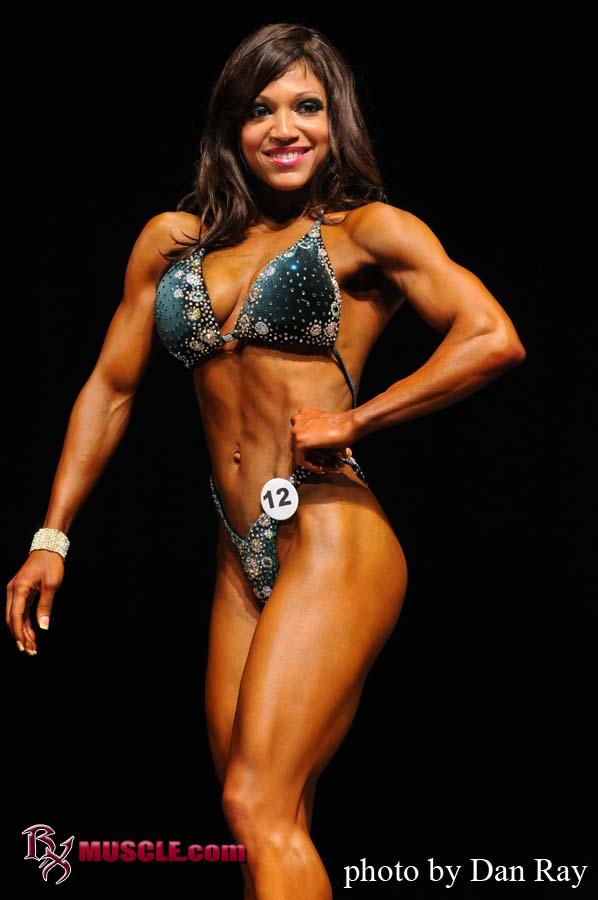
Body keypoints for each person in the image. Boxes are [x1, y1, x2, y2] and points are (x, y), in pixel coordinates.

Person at [6, 22, 526, 900]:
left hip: (331, 533)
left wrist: (356, 418)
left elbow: (492, 337)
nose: (285, 128)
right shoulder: (173, 243)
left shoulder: (367, 232)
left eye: (306, 106)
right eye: (260, 109)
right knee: (263, 824)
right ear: (231, 128)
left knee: (256, 803)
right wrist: (51, 537)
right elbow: (110, 389)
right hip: (238, 551)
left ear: (335, 121)